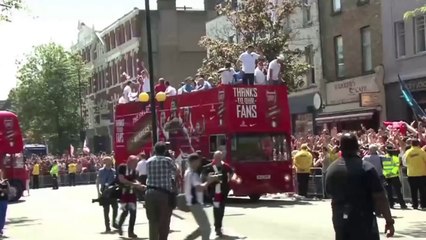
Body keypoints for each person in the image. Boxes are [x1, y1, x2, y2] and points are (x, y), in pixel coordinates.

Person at [326, 133, 395, 240]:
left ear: (340, 148)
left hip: (340, 219)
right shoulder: (366, 168)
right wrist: (389, 221)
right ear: (357, 148)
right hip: (363, 219)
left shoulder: (331, 169)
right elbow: (380, 197)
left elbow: (329, 192)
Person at [201, 150, 240, 237]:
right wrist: (208, 178)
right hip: (214, 192)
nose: (218, 159)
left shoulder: (225, 167)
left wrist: (235, 179)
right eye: (216, 157)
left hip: (223, 191)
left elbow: (232, 174)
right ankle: (217, 228)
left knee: (221, 210)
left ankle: (218, 226)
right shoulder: (209, 167)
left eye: (219, 157)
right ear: (214, 157)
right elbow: (203, 177)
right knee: (217, 208)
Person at [145, 142, 177, 240]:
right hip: (163, 194)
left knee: (152, 222)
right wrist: (173, 158)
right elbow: (176, 170)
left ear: (155, 150)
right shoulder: (168, 160)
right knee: (164, 221)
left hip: (149, 192)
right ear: (164, 150)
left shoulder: (149, 161)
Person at [184, 154, 217, 240]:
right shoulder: (192, 174)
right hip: (195, 203)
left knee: (203, 227)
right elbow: (199, 188)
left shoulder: (188, 172)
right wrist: (209, 181)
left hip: (193, 203)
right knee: (206, 229)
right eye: (198, 161)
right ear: (193, 162)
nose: (199, 163)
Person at [117, 155, 146, 238]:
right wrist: (134, 184)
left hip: (132, 193)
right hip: (124, 192)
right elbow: (121, 179)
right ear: (130, 162)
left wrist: (140, 185)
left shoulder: (135, 171)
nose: (136, 164)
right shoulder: (122, 167)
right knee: (125, 212)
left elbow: (135, 179)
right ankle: (120, 225)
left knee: (133, 213)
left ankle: (131, 232)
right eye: (135, 162)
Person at [96, 157, 119, 233]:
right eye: (107, 160)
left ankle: (114, 222)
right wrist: (98, 192)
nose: (110, 161)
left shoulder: (113, 171)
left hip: (112, 191)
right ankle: (107, 226)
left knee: (115, 207)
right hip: (104, 191)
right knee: (106, 210)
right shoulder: (101, 171)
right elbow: (98, 181)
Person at [403, 139, 426, 209]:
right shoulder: (422, 152)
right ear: (418, 144)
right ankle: (423, 205)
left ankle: (415, 205)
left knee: (413, 191)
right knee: (423, 191)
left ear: (411, 144)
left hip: (411, 174)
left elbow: (404, 163)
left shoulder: (407, 152)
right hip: (422, 174)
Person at [0, 170, 9, 237]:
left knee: (3, 215)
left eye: (1, 173)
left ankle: (1, 229)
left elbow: (8, 190)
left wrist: (4, 189)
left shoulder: (5, 181)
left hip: (4, 200)